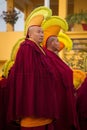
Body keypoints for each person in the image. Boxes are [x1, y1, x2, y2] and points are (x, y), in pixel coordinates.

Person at [41, 16, 80, 129]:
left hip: (65, 95)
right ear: (51, 42)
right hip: (57, 98)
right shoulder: (46, 57)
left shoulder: (55, 57)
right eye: (57, 40)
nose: (59, 43)